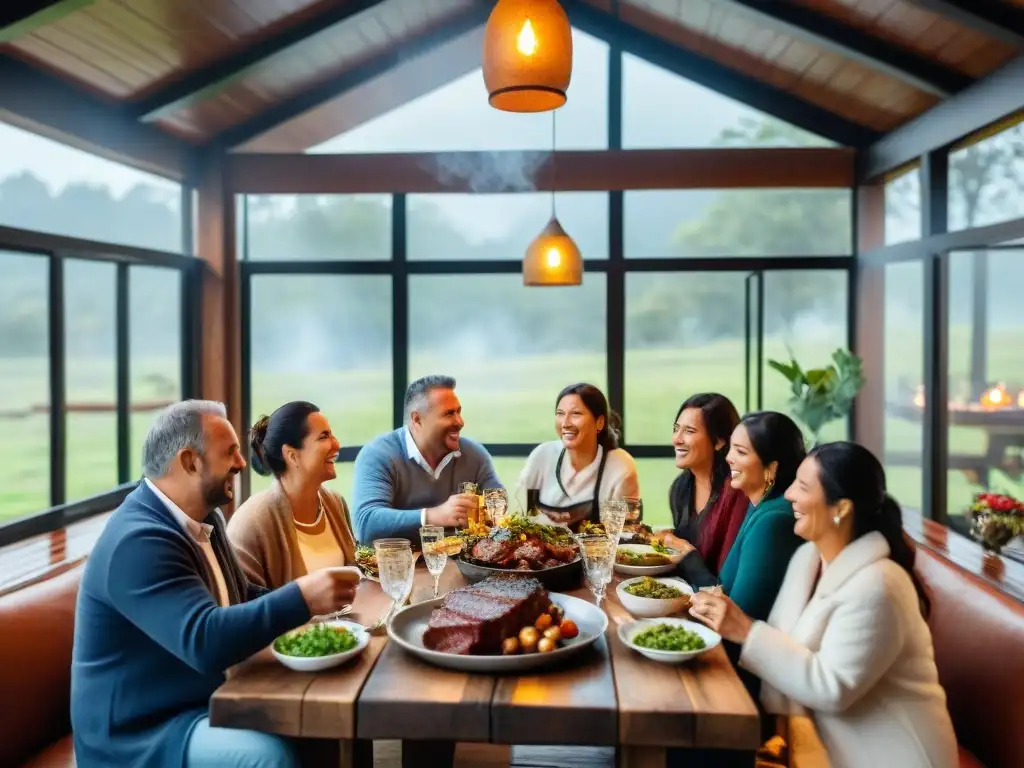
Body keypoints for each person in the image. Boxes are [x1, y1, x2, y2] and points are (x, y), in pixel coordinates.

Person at [71, 400, 357, 768]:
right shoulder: (138, 542)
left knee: (321, 723)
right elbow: (204, 641)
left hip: (201, 697)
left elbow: (239, 594)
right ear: (190, 462)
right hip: (145, 733)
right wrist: (302, 597)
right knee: (267, 758)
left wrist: (317, 616)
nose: (242, 462)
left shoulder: (205, 518)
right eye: (230, 452)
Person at [689, 442, 958, 768]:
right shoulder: (808, 559)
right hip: (812, 744)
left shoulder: (881, 585)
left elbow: (832, 689)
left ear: (841, 508)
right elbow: (783, 649)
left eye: (802, 487)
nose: (788, 495)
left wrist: (745, 630)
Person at [674, 411, 806, 697]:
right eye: (731, 448)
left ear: (771, 467)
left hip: (742, 677)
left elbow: (735, 620)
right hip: (728, 656)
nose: (728, 458)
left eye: (741, 451)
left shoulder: (773, 523)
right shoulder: (758, 505)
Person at [351, 375, 502, 541]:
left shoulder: (475, 455)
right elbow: (366, 524)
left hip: (458, 564)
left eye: (458, 411)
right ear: (417, 419)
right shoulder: (379, 454)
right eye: (449, 414)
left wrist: (489, 515)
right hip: (396, 565)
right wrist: (433, 516)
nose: (460, 422)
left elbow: (499, 510)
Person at [228, 401, 357, 589]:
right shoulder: (252, 522)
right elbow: (247, 605)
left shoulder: (334, 503)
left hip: (343, 619)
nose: (336, 445)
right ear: (292, 455)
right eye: (324, 437)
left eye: (332, 435)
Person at [515, 383, 639, 529]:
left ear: (599, 422)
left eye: (575, 414)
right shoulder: (542, 456)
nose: (565, 423)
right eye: (560, 413)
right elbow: (518, 516)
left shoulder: (620, 466)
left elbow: (627, 534)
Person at [658, 393, 749, 573]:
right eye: (676, 429)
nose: (677, 439)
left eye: (689, 431)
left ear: (719, 441)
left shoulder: (737, 492)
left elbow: (724, 580)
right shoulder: (681, 488)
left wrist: (682, 549)